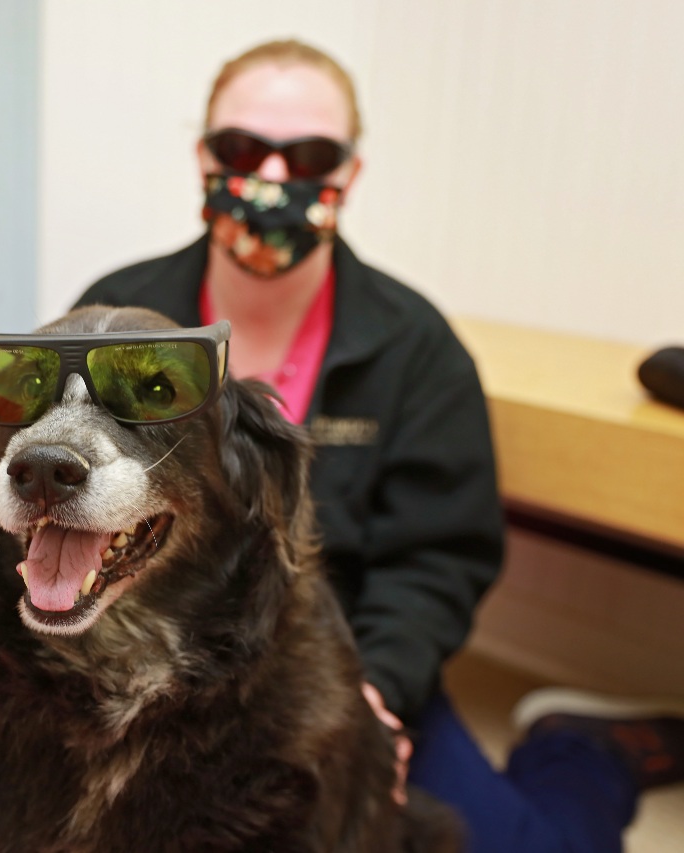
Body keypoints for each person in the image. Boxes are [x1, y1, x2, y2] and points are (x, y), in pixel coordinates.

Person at [73, 38, 684, 853]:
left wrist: (375, 696)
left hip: (350, 667)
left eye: (310, 154)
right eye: (242, 148)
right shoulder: (114, 314)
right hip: (152, 666)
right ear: (202, 157)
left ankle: (584, 753)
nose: (273, 176)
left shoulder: (415, 347)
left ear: (349, 173)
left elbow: (437, 560)